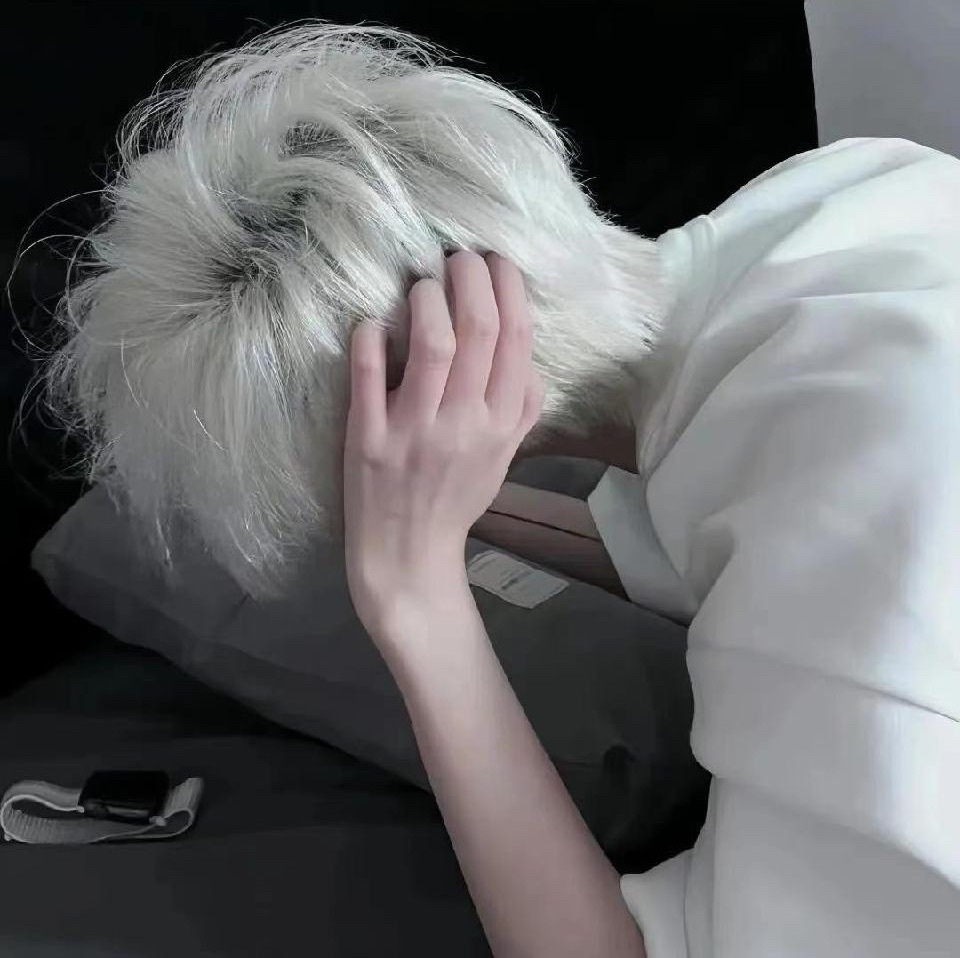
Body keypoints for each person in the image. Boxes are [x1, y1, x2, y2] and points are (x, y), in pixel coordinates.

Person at [43, 22, 959, 958]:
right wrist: (441, 512)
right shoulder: (858, 196)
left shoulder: (847, 623)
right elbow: (697, 535)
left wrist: (414, 596)